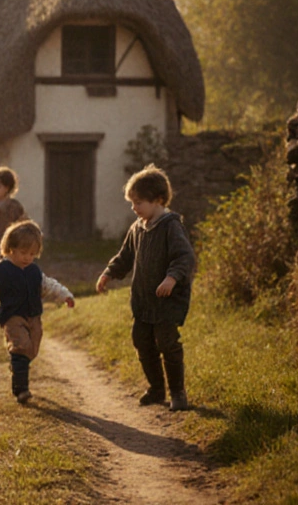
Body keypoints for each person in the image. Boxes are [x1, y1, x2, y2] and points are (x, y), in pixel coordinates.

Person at [96, 165, 196, 412]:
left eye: (138, 202)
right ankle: (156, 388)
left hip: (167, 301)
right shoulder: (138, 228)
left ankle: (178, 392)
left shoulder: (171, 226)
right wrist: (109, 273)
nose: (134, 208)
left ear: (158, 200)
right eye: (132, 203)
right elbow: (125, 256)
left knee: (167, 343)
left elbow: (184, 257)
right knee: (142, 341)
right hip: (144, 301)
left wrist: (172, 278)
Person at [0, 220, 75, 404]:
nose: (27, 258)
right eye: (23, 253)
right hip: (12, 317)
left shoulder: (34, 271)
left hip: (33, 316)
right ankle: (21, 389)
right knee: (21, 347)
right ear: (11, 249)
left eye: (32, 254)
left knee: (31, 349)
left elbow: (49, 286)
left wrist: (65, 296)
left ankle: (17, 364)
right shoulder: (1, 271)